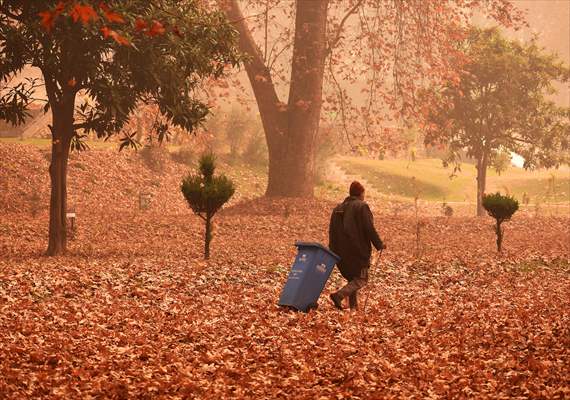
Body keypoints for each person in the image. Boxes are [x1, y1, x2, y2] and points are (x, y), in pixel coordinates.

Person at [328, 181, 384, 310]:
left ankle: (354, 309)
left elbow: (331, 231)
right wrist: (379, 244)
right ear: (361, 193)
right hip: (357, 251)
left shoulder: (338, 209)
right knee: (361, 279)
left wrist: (333, 249)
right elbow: (369, 228)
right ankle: (338, 295)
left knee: (352, 278)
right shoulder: (362, 207)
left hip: (339, 252)